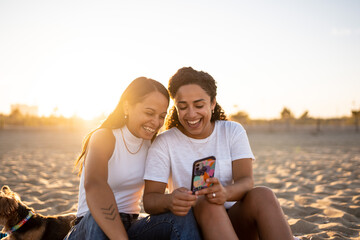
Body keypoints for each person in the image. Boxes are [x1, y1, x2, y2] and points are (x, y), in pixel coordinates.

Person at [143, 67, 294, 239]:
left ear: (213, 103)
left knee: (263, 194)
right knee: (208, 202)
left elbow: (246, 181)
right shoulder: (164, 142)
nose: (191, 114)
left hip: (235, 219)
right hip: (193, 225)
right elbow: (149, 201)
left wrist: (225, 193)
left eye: (199, 105)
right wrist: (169, 200)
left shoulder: (232, 131)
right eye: (183, 107)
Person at [64, 77, 200, 240]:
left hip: (130, 226)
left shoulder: (153, 145)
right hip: (89, 227)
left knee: (180, 216)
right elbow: (94, 185)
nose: (156, 122)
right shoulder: (105, 137)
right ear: (127, 107)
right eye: (149, 113)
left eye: (161, 116)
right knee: (96, 219)